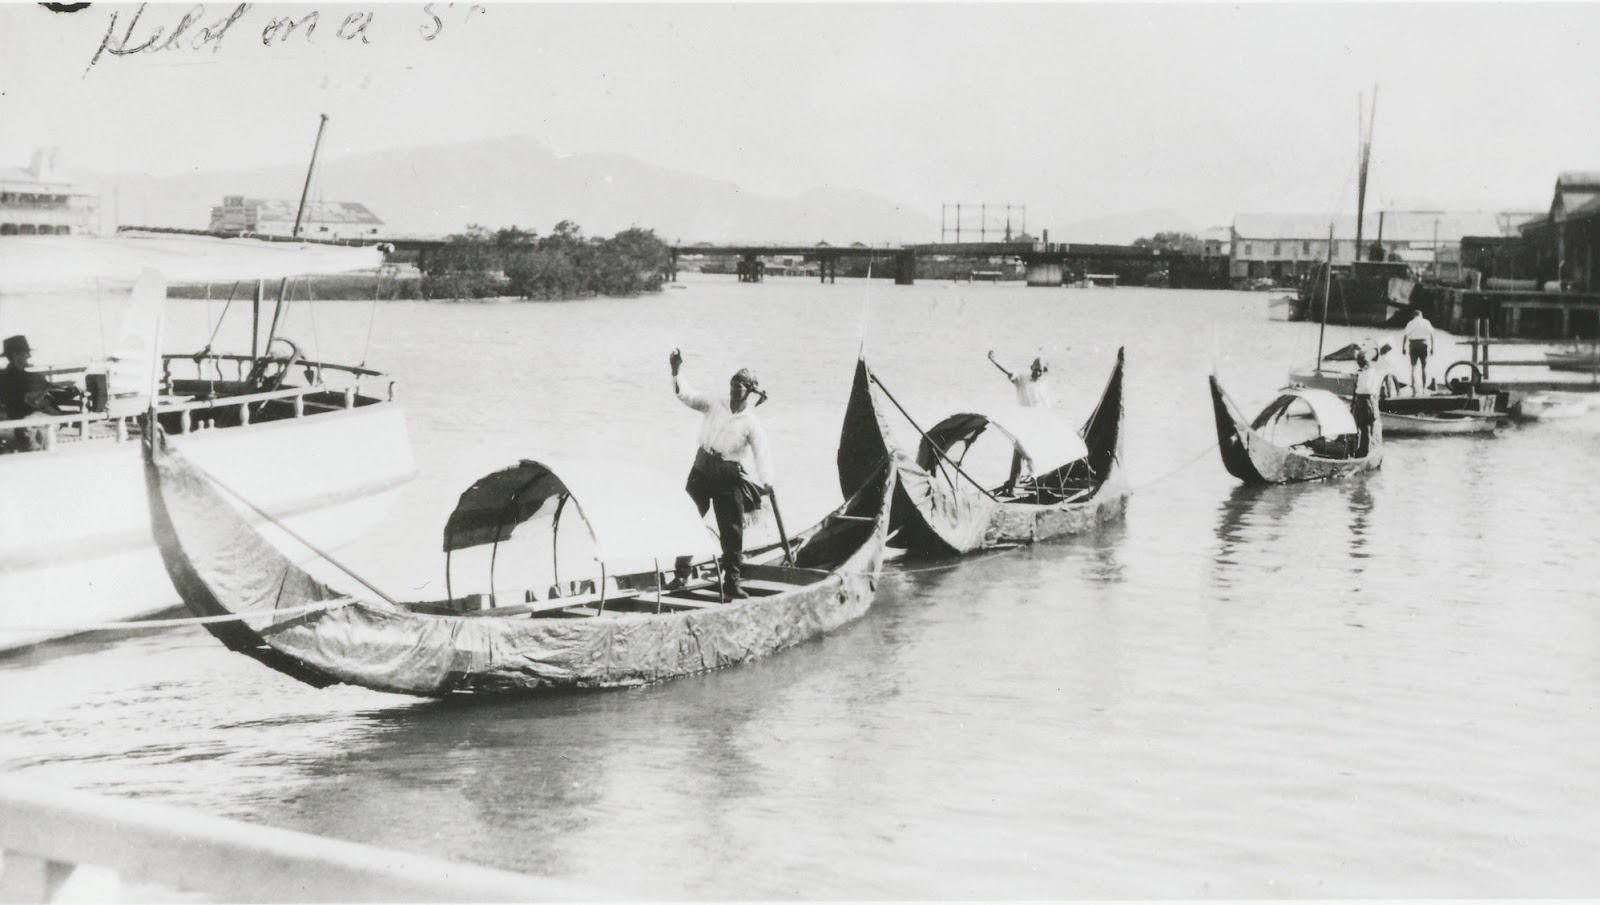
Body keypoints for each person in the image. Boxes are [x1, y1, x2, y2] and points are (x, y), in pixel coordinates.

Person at [669, 348, 772, 599]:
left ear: (749, 392)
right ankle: (681, 574)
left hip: (728, 477)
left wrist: (767, 480)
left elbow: (761, 452)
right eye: (733, 384)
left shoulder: (750, 422)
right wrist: (676, 371)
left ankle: (732, 582)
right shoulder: (715, 403)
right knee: (689, 520)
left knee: (732, 531)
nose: (734, 389)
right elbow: (687, 396)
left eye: (739, 386)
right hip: (702, 470)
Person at [987, 349, 1053, 495]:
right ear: (1032, 369)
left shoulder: (1043, 386)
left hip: (1039, 424)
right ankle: (1013, 485)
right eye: (1036, 370)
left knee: (1039, 453)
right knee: (1020, 452)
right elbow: (1008, 372)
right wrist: (994, 360)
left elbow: (1047, 408)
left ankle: (1039, 485)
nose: (1038, 373)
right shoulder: (1022, 380)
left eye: (1041, 371)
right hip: (1024, 423)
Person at [1, 335, 74, 452]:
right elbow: (22, 401)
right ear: (15, 355)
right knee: (39, 426)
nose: (29, 356)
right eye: (25, 353)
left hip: (29, 419)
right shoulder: (11, 377)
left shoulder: (26, 374)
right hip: (26, 420)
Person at [1350, 349, 1381, 458]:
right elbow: (1358, 389)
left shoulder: (1370, 372)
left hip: (1367, 399)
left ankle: (1365, 451)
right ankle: (1357, 449)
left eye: (1361, 360)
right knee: (1357, 425)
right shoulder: (1362, 372)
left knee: (1366, 427)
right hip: (1361, 399)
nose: (1359, 363)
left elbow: (1367, 388)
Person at [1401, 309, 1437, 395]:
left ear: (1414, 315)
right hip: (1423, 344)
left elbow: (1405, 336)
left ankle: (1414, 390)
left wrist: (1403, 348)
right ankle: (1424, 389)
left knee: (1413, 368)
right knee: (1424, 367)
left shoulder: (1410, 323)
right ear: (1421, 315)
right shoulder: (1426, 322)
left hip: (1413, 344)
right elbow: (1432, 336)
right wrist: (1432, 348)